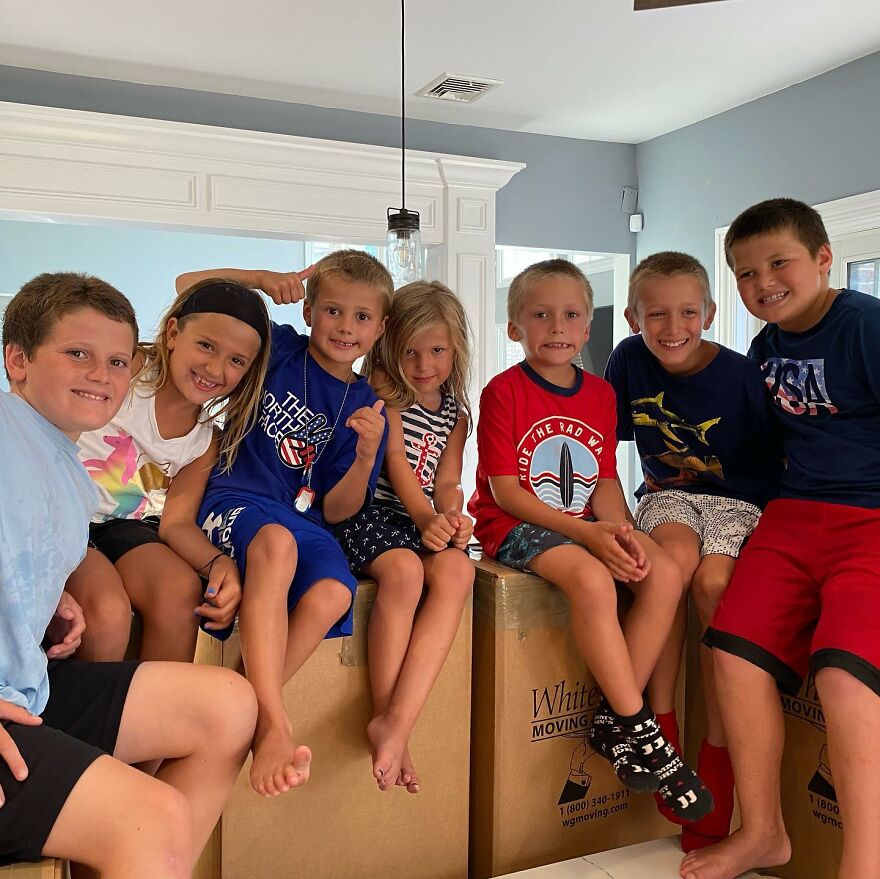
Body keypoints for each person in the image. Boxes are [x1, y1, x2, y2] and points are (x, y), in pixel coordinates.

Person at [0, 272, 256, 876]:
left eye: (117, 361)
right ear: (18, 360)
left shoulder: (63, 461)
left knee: (227, 705)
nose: (102, 375)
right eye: (78, 354)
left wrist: (50, 597)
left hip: (27, 690)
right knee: (157, 814)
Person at [469, 258, 712, 822]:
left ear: (587, 329)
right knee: (591, 579)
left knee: (664, 571)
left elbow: (601, 481)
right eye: (540, 315)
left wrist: (623, 534)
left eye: (570, 315)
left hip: (585, 522)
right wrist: (588, 537)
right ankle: (641, 730)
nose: (556, 326)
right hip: (516, 527)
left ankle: (609, 716)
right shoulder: (503, 391)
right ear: (515, 328)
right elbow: (505, 493)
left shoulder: (601, 395)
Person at [682, 198, 880, 879]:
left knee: (843, 680)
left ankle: (865, 863)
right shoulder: (764, 350)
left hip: (872, 523)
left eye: (778, 262)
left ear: (824, 260)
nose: (761, 280)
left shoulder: (866, 327)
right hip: (792, 518)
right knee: (733, 657)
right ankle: (764, 831)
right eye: (743, 272)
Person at [172, 251, 390, 798]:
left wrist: (366, 457)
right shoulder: (279, 348)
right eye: (333, 310)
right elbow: (188, 284)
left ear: (381, 327)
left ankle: (247, 701)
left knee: (333, 595)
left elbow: (339, 511)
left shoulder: (366, 404)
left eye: (363, 317)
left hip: (306, 519)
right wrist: (261, 281)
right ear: (310, 310)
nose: (346, 327)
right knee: (273, 545)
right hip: (236, 499)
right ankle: (272, 719)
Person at [605, 251, 782, 850]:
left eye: (686, 312)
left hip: (739, 503)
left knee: (713, 586)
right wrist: (608, 519)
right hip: (667, 496)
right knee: (670, 567)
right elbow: (602, 443)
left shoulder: (740, 376)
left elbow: (776, 461)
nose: (671, 327)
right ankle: (651, 729)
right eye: (656, 314)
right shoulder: (628, 360)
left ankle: (718, 759)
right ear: (633, 317)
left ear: (708, 313)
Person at [66, 279, 271, 662]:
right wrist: (258, 280)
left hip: (126, 527)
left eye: (236, 361)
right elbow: (188, 285)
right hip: (68, 517)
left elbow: (176, 523)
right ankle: (92, 715)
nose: (215, 368)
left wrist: (220, 564)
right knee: (108, 612)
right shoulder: (133, 368)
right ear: (174, 332)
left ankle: (159, 714)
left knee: (179, 590)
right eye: (206, 345)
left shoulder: (205, 441)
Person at [335, 281, 475, 793]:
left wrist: (451, 515)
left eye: (436, 350)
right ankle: (384, 716)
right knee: (405, 571)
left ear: (455, 347)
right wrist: (425, 520)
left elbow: (448, 479)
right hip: (370, 516)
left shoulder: (457, 413)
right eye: (410, 351)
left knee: (459, 569)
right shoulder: (385, 392)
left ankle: (399, 721)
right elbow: (395, 464)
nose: (423, 364)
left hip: (419, 521)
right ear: (391, 346)